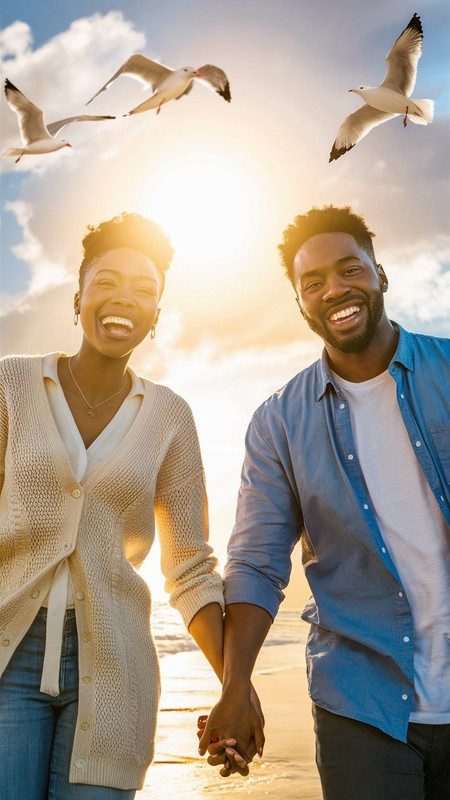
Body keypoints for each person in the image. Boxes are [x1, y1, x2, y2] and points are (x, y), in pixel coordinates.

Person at [198, 206, 450, 799]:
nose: (335, 290)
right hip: (359, 708)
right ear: (300, 303)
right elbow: (258, 562)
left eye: (349, 270)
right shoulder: (279, 424)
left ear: (380, 274)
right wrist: (236, 688)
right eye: (313, 284)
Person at [0, 212, 229, 799]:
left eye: (144, 290)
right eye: (106, 281)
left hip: (116, 673)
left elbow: (191, 566)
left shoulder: (170, 418)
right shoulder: (10, 386)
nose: (122, 298)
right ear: (78, 297)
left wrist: (236, 684)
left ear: (155, 315)